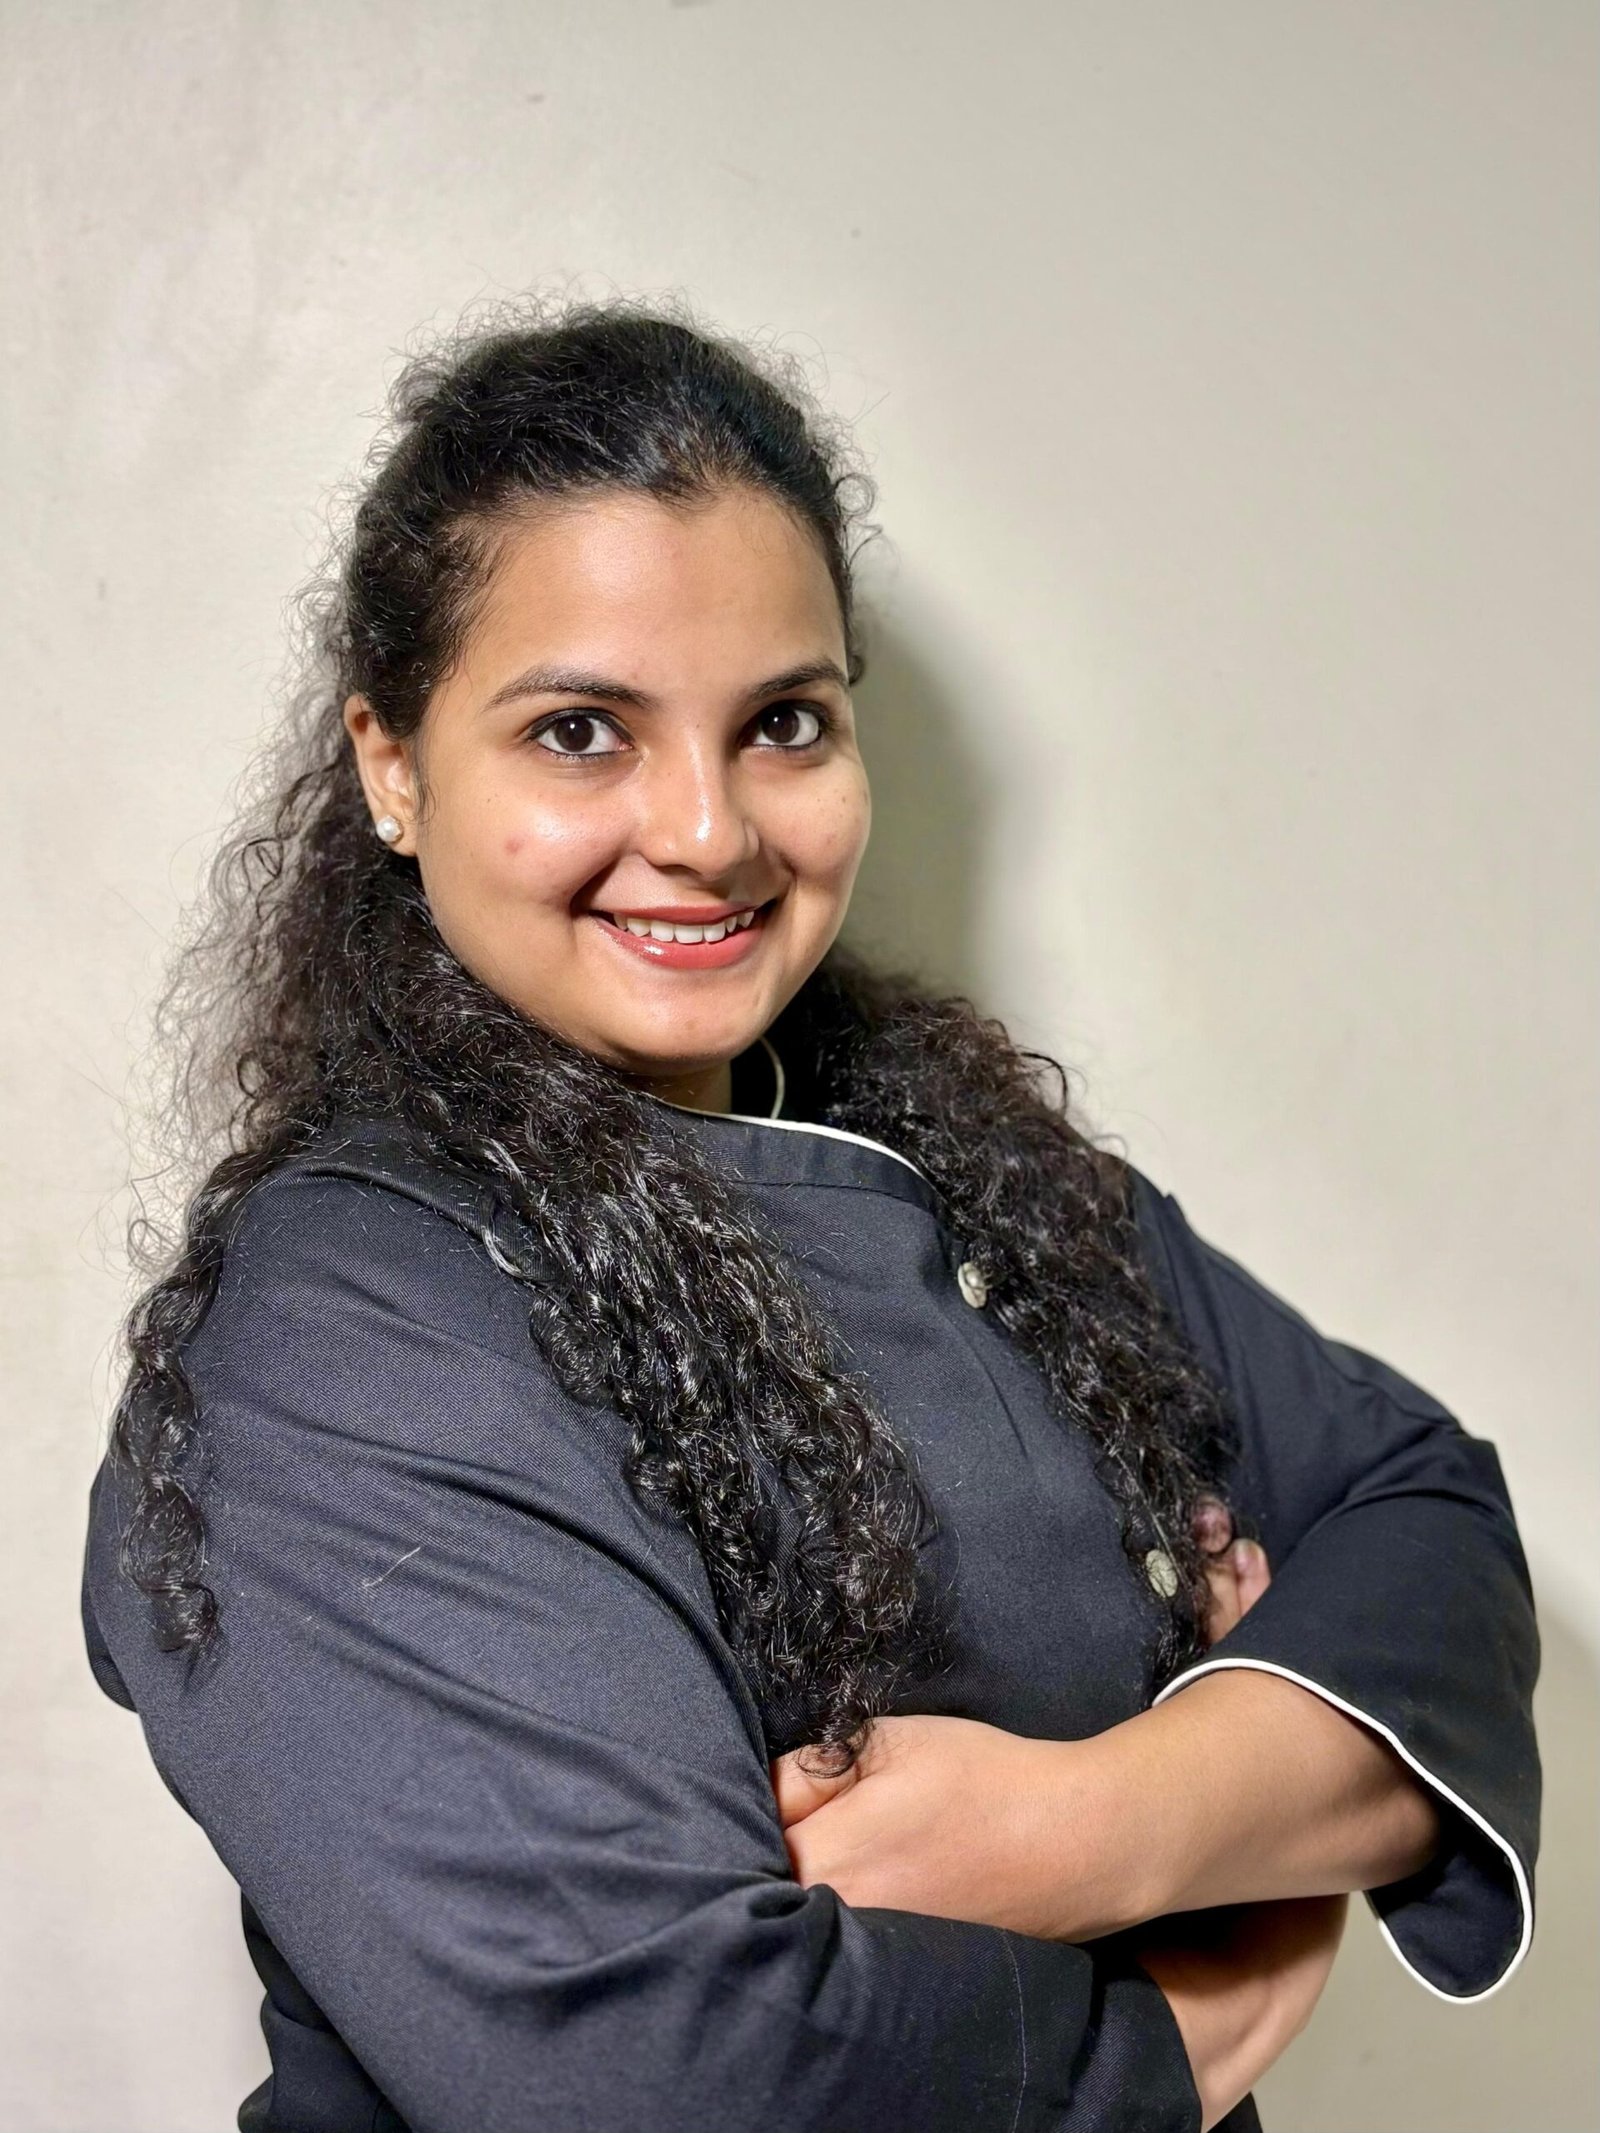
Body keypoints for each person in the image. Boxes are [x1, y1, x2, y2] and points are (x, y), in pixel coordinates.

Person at [81, 300, 1540, 2133]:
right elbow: (656, 2070)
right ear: (392, 764)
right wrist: (1207, 1995)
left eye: (782, 722)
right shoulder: (336, 1333)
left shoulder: (978, 1167)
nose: (709, 831)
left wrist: (1108, 1822)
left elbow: (1426, 1511)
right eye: (580, 731)